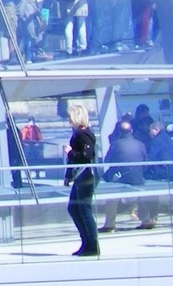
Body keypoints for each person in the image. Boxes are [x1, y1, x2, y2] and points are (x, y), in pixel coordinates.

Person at [64, 102, 101, 256]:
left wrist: (70, 152)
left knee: (83, 208)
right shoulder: (77, 134)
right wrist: (68, 175)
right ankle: (86, 242)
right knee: (74, 208)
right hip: (81, 175)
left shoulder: (84, 134)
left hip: (87, 175)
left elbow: (86, 156)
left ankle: (92, 244)